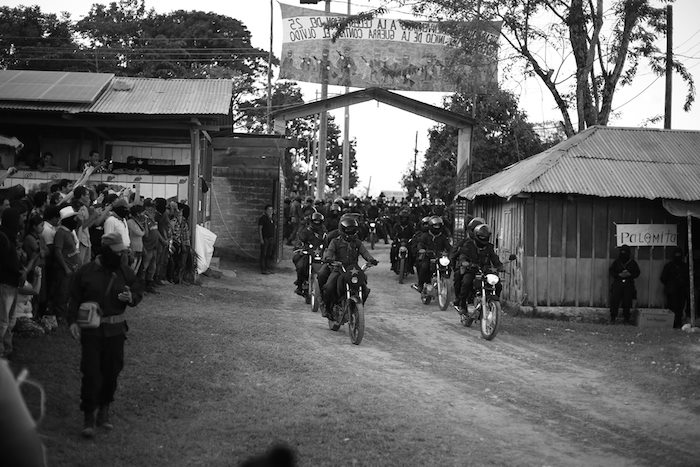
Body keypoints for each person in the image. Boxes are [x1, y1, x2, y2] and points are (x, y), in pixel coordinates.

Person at [68, 232, 143, 439]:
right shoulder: (86, 272)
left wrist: (131, 297)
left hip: (115, 332)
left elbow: (138, 290)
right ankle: (89, 416)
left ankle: (104, 409)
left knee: (111, 372)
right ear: (107, 251)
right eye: (119, 252)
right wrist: (73, 322)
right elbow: (74, 298)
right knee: (91, 372)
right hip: (91, 332)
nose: (122, 255)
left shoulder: (124, 271)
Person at [322, 217, 377, 318]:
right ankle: (327, 308)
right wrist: (329, 259)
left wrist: (371, 260)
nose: (351, 233)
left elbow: (365, 252)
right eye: (348, 230)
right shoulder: (335, 241)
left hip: (353, 269)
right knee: (328, 287)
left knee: (365, 288)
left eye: (353, 230)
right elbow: (329, 251)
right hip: (339, 268)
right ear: (342, 230)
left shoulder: (357, 242)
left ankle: (358, 308)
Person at [452, 223, 503, 316]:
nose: (483, 238)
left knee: (498, 284)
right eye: (481, 236)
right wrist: (464, 262)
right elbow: (463, 254)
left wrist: (499, 266)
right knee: (466, 282)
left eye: (485, 236)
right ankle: (462, 305)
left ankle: (493, 305)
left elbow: (494, 257)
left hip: (485, 271)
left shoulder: (489, 247)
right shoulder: (469, 244)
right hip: (471, 270)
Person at [0, 208, 23, 359]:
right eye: (21, 217)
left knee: (10, 320)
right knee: (3, 321)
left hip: (11, 283)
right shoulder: (3, 238)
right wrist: (18, 270)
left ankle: (7, 348)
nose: (22, 221)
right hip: (5, 283)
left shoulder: (10, 236)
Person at [52, 206, 81, 322]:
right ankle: (59, 316)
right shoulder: (61, 233)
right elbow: (57, 251)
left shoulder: (69, 232)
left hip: (72, 268)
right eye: (74, 219)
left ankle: (65, 314)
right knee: (62, 293)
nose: (75, 221)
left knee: (69, 292)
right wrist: (65, 268)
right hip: (65, 270)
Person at [412, 216, 451, 293]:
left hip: (439, 257)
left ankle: (444, 283)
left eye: (438, 225)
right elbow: (420, 244)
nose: (437, 227)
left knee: (447, 266)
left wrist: (450, 252)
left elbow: (448, 247)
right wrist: (421, 249)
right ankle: (420, 285)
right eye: (435, 225)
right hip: (428, 256)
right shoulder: (425, 236)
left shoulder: (442, 237)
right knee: (424, 266)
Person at [293, 212, 327, 295]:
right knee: (300, 266)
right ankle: (300, 285)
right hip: (308, 253)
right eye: (315, 221)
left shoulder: (324, 231)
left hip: (320, 254)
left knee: (327, 268)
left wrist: (327, 250)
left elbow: (327, 242)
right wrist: (300, 248)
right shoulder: (306, 230)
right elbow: (300, 239)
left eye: (319, 221)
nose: (317, 223)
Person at [609, 244, 640, 325]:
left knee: (627, 302)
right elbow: (611, 271)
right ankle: (613, 318)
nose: (623, 253)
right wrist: (618, 275)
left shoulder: (632, 263)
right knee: (615, 301)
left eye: (625, 252)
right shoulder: (616, 262)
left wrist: (630, 274)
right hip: (618, 283)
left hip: (628, 284)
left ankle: (626, 319)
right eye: (622, 252)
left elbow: (637, 273)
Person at [660, 247, 689, 329]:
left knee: (680, 307)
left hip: (681, 290)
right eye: (676, 255)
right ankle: (672, 323)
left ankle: (678, 322)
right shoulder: (669, 266)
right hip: (672, 291)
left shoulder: (684, 266)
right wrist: (671, 283)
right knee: (672, 307)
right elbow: (663, 278)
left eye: (679, 255)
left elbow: (688, 278)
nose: (677, 256)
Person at [258, 205, 275, 274]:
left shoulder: (272, 219)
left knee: (269, 254)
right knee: (263, 254)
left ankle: (267, 268)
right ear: (265, 211)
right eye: (268, 210)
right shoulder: (262, 218)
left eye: (271, 210)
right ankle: (263, 269)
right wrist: (261, 239)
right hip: (265, 238)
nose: (270, 211)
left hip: (271, 238)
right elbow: (260, 229)